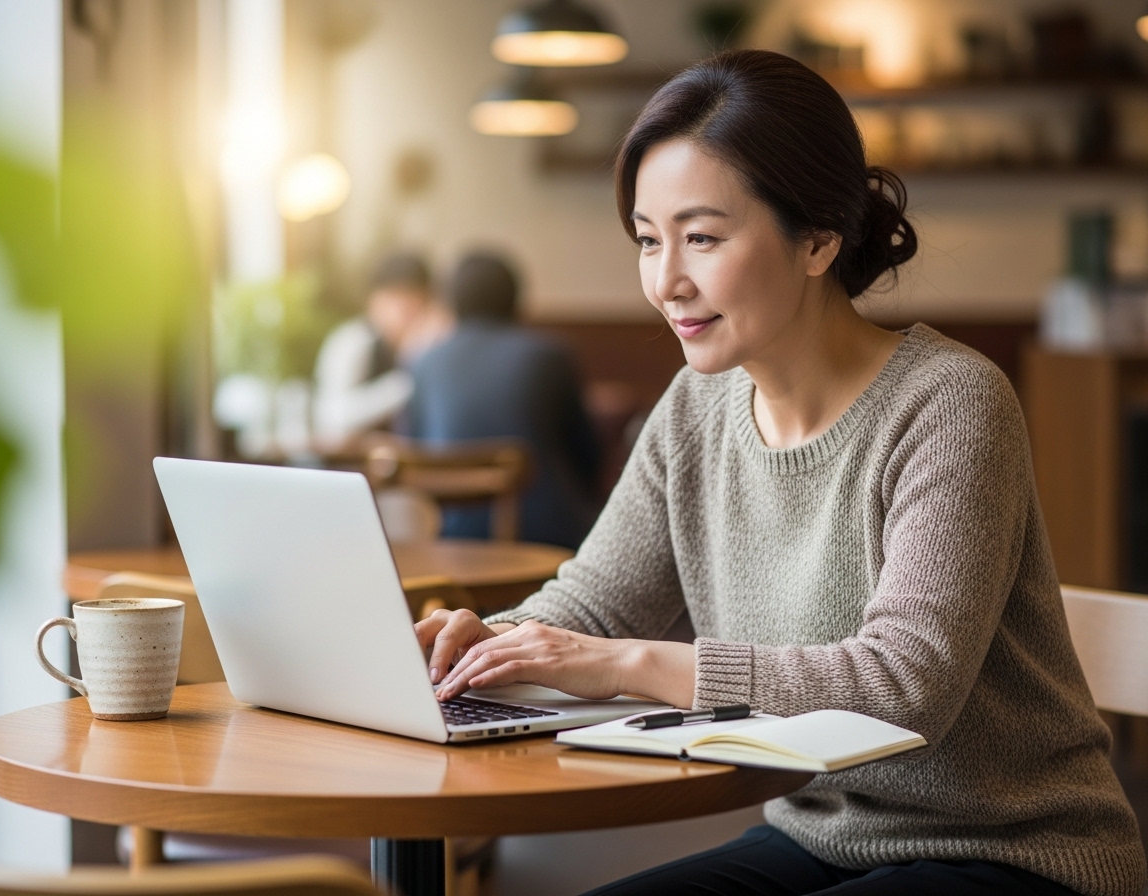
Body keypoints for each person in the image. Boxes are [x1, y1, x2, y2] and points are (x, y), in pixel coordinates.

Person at [414, 50, 1146, 896]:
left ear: (819, 239)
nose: (666, 282)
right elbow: (593, 606)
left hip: (1017, 853)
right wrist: (484, 644)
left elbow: (901, 689)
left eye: (702, 238)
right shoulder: (695, 407)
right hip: (822, 838)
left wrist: (625, 665)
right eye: (649, 241)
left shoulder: (951, 403)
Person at [404, 252, 601, 549]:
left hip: (450, 534)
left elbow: (416, 449)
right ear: (516, 299)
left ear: (451, 303)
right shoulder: (549, 356)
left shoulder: (423, 362)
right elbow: (586, 452)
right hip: (546, 536)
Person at [312, 252, 450, 447]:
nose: (403, 312)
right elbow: (332, 419)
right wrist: (409, 377)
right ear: (373, 301)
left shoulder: (439, 343)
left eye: (413, 302)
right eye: (395, 300)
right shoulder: (352, 341)